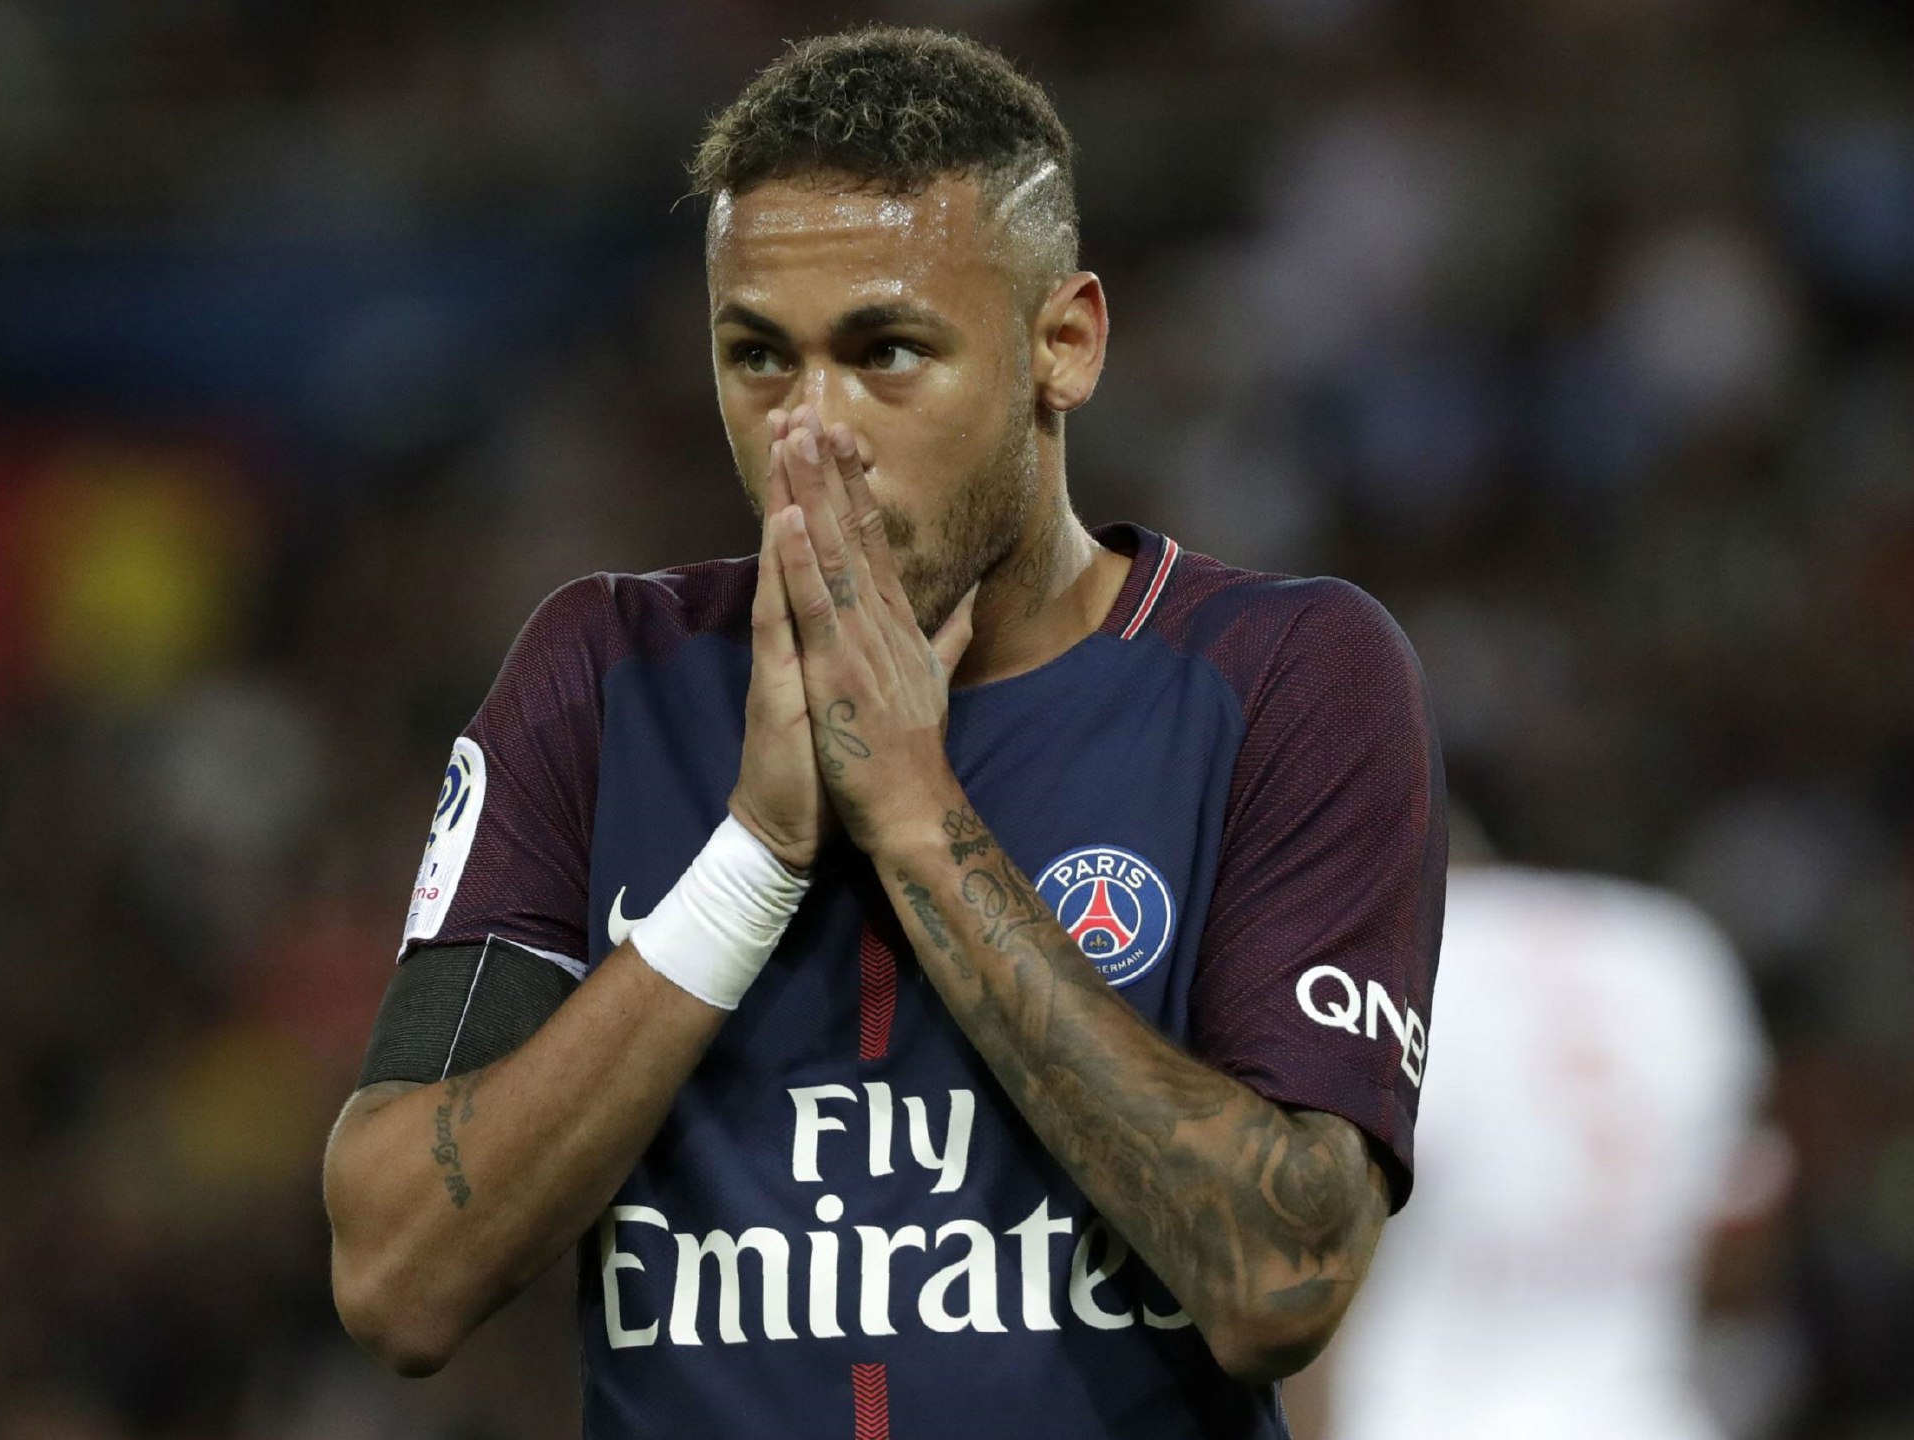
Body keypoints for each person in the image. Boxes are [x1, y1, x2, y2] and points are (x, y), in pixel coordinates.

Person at [322, 27, 1446, 1439]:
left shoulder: (1281, 677)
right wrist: (750, 859)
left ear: (1064, 344)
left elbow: (1285, 1275)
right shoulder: (605, 679)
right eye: (758, 358)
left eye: (888, 352)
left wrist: (918, 818)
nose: (812, 433)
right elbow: (395, 1276)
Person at [1290, 853, 1786, 1440]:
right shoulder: (1674, 948)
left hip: (1414, 1417)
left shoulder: (1391, 952)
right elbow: (1747, 1211)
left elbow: (1306, 1248)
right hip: (1645, 1417)